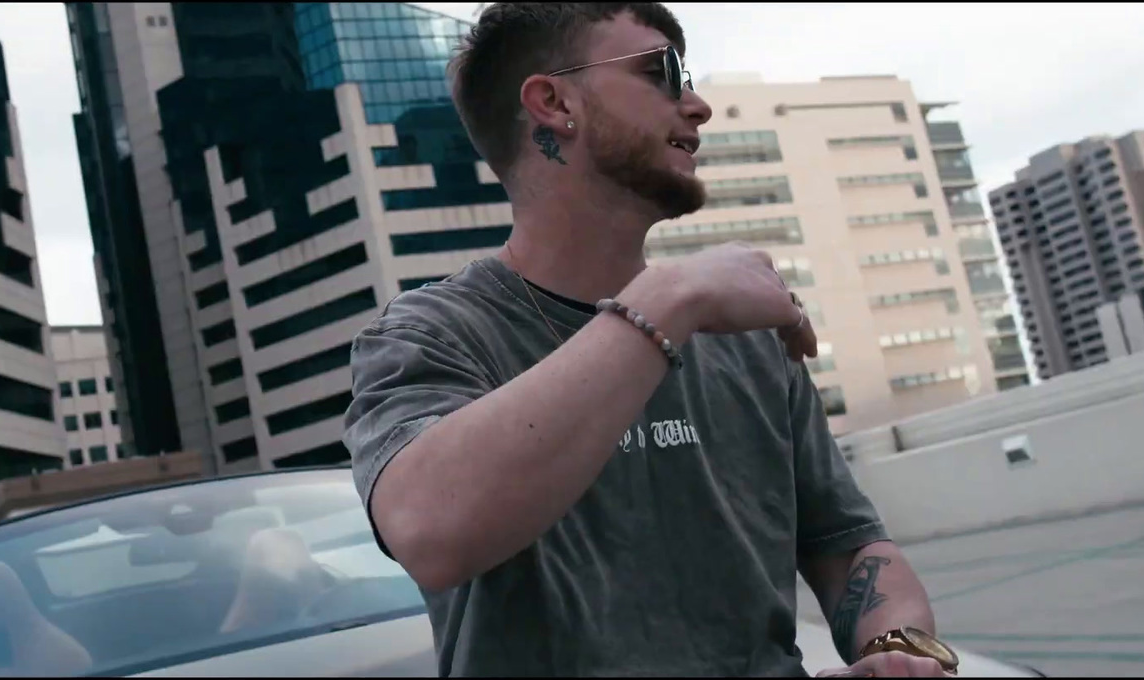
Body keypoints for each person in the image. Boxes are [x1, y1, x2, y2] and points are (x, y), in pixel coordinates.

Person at [343, 3, 955, 677]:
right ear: (553, 102)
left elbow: (850, 547)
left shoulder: (745, 336)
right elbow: (432, 532)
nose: (697, 106)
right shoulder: (433, 336)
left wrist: (896, 649)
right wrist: (673, 296)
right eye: (660, 72)